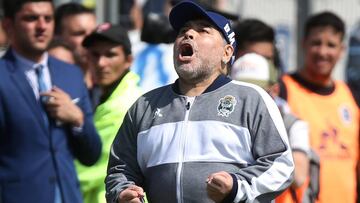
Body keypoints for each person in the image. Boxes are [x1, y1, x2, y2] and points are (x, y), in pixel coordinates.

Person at [105, 1, 294, 203]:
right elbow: (120, 169)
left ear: (227, 53)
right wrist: (122, 193)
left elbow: (280, 163)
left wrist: (236, 187)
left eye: (203, 31)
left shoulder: (252, 99)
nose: (188, 35)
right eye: (183, 31)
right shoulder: (144, 106)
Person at [0, 0, 102, 202]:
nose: (42, 26)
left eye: (48, 18)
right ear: (8, 25)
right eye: (31, 18)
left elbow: (91, 155)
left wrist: (77, 119)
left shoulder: (71, 74)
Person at [279, 11, 359, 203]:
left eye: (331, 45)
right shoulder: (283, 89)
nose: (323, 52)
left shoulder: (350, 96)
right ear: (304, 44)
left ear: (342, 50)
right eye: (316, 43)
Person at [231, 53, 315, 203]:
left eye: (257, 92)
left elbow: (298, 177)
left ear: (275, 90)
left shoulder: (293, 125)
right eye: (241, 93)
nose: (249, 101)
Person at [76, 22, 142, 203]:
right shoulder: (105, 96)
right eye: (95, 55)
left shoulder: (126, 104)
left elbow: (95, 169)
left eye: (110, 54)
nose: (100, 63)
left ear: (128, 60)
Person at [54, 2, 97, 90]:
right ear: (57, 36)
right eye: (79, 33)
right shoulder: (48, 83)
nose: (90, 40)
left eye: (94, 33)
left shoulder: (108, 83)